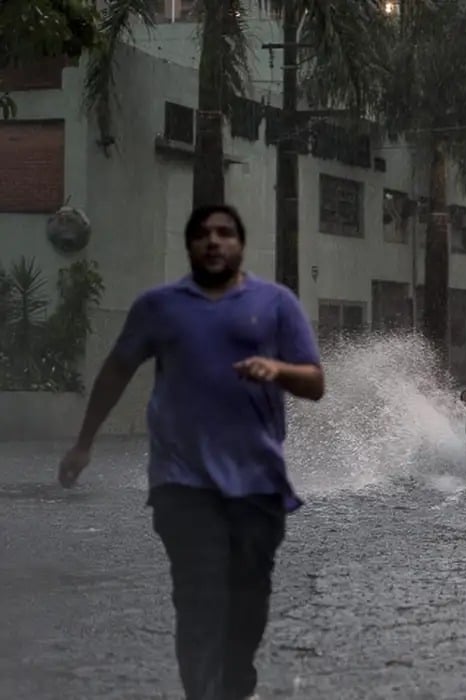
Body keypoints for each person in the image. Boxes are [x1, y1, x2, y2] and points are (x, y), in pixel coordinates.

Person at [56, 204, 325, 700]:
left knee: (247, 605)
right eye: (202, 235)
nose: (213, 242)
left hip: (258, 484)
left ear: (241, 245)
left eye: (225, 234)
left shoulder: (276, 303)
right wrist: (84, 443)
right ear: (189, 247)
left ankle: (235, 682)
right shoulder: (159, 307)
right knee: (199, 601)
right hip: (182, 484)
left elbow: (315, 383)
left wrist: (276, 369)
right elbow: (116, 370)